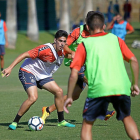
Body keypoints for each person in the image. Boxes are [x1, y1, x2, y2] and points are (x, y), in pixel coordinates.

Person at [64, 12, 140, 140]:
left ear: (87, 27)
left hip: (99, 89)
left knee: (87, 124)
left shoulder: (85, 44)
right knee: (127, 118)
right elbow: (134, 60)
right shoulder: (116, 39)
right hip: (121, 86)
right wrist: (135, 84)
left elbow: (73, 74)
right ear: (104, 26)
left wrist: (70, 96)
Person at [41, 11, 115, 125]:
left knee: (74, 96)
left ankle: (47, 110)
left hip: (88, 65)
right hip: (75, 63)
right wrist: (72, 52)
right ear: (87, 22)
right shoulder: (78, 32)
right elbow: (65, 45)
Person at [2, 30, 75, 130]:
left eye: (64, 41)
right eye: (60, 41)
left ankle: (61, 121)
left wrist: (78, 56)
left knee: (59, 92)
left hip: (43, 75)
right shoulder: (44, 49)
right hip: (28, 71)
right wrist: (10, 67)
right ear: (55, 40)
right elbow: (24, 54)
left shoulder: (63, 51)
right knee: (33, 97)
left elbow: (68, 56)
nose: (62, 44)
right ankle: (15, 122)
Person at [0, 12, 8, 77]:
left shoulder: (3, 22)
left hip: (1, 43)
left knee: (2, 57)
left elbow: (5, 32)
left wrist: (7, 41)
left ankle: (2, 70)